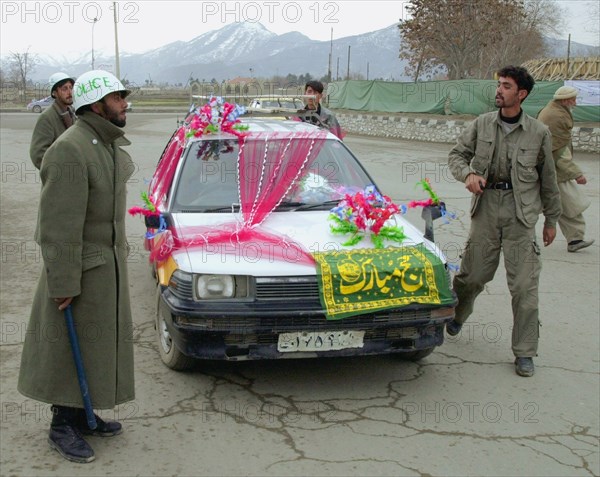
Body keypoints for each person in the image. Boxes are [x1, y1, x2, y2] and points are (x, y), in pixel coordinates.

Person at [18, 70, 135, 463]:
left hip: (104, 268)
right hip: (78, 273)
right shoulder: (71, 148)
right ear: (96, 104)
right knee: (69, 351)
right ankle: (61, 425)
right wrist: (63, 282)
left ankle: (85, 413)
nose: (124, 104)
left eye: (124, 96)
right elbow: (57, 227)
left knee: (95, 349)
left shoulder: (100, 143)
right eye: (118, 97)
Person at [447, 65, 561, 378]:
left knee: (525, 287)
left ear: (521, 94)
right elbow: (456, 155)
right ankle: (457, 315)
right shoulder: (482, 124)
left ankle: (525, 351)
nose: (499, 90)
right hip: (485, 209)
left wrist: (552, 218)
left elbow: (548, 178)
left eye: (506, 86)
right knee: (472, 276)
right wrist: (468, 174)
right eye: (499, 84)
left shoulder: (539, 132)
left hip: (521, 215)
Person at [537, 86, 594, 253]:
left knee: (566, 205)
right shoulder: (555, 116)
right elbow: (558, 150)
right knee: (530, 206)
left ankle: (575, 238)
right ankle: (502, 237)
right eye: (573, 99)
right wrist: (576, 173)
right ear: (565, 100)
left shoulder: (556, 111)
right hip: (553, 170)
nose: (575, 102)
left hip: (553, 169)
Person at [30, 72, 77, 169]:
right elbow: (38, 155)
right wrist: (59, 170)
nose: (70, 92)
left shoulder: (73, 113)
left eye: (71, 88)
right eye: (64, 88)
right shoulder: (47, 117)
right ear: (54, 93)